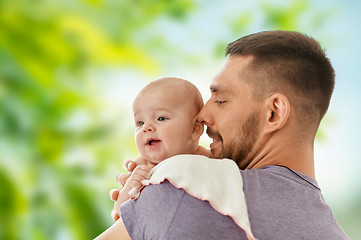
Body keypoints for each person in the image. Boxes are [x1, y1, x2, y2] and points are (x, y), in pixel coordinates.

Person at [106, 31, 350, 239]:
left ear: (274, 113)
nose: (201, 115)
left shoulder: (185, 184)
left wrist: (140, 203)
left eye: (221, 100)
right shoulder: (333, 233)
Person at [95, 77, 209, 239]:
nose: (146, 128)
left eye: (161, 118)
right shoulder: (143, 167)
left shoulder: (206, 159)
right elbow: (120, 212)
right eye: (140, 122)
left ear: (195, 129)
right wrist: (130, 186)